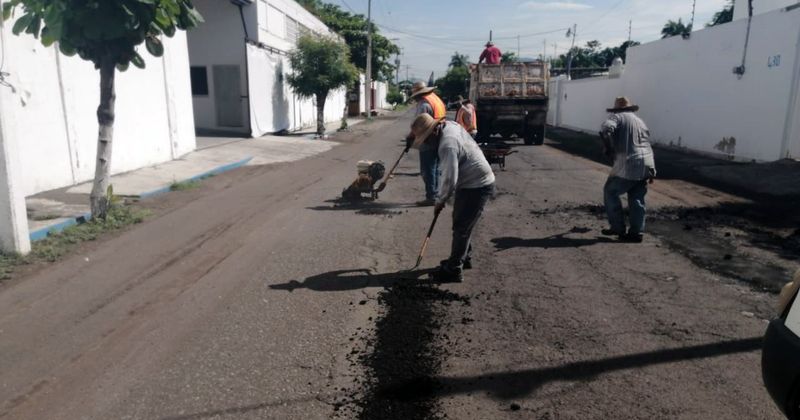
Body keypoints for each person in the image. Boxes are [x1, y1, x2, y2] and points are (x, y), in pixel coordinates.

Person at [409, 113, 496, 283]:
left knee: (461, 227)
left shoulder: (447, 145)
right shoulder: (449, 125)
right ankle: (463, 258)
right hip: (469, 182)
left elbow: (449, 179)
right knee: (461, 223)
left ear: (434, 132)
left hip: (478, 185)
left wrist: (439, 201)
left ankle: (454, 269)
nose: (426, 144)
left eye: (426, 140)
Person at [599, 96, 656, 243]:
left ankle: (617, 227)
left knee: (610, 191)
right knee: (637, 198)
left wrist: (609, 148)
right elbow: (647, 144)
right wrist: (652, 170)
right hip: (646, 163)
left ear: (616, 109)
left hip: (629, 163)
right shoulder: (640, 121)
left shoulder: (616, 117)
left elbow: (605, 129)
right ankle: (636, 233)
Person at [406, 81, 447, 206]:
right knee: (436, 168)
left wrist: (410, 137)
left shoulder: (423, 104)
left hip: (428, 138)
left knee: (427, 169)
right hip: (440, 137)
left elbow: (419, 124)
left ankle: (431, 197)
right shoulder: (436, 99)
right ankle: (437, 194)